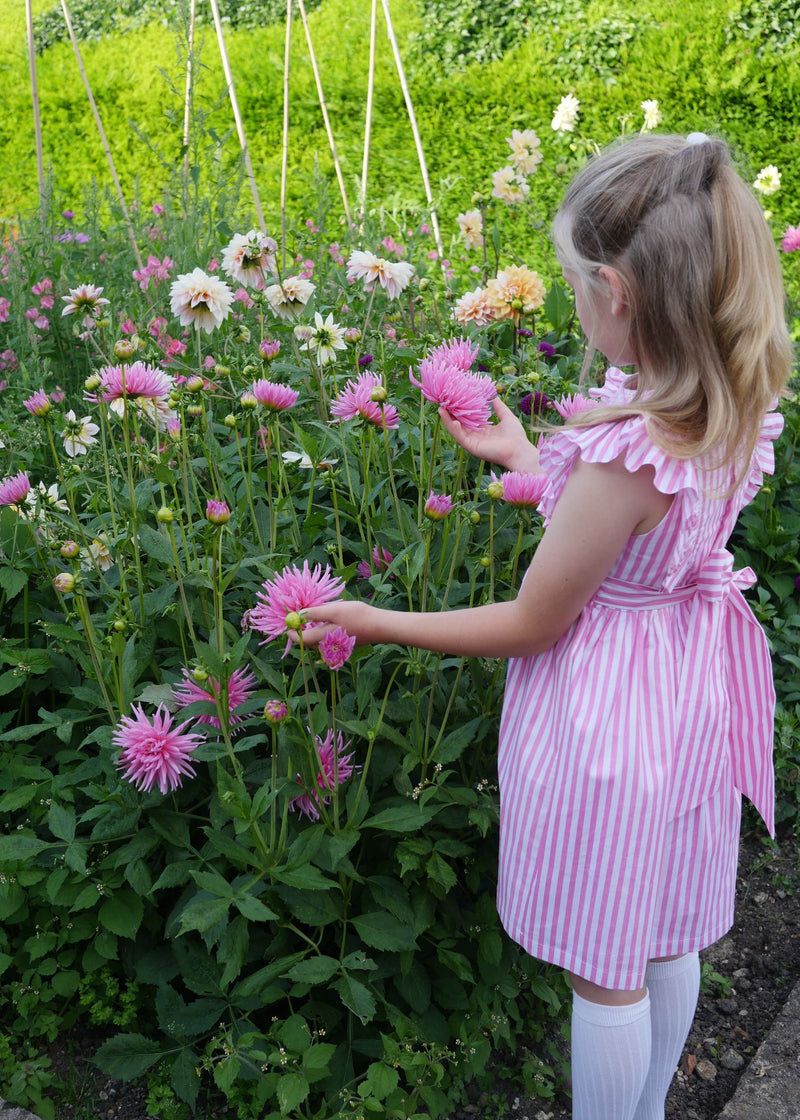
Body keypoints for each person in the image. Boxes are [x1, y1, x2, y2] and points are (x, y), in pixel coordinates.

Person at [299, 133, 793, 1119]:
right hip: (684, 692)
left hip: (608, 719)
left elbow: (536, 619)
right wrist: (526, 453)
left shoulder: (625, 449)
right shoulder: (733, 396)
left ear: (615, 291)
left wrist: (375, 620)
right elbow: (634, 551)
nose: (571, 301)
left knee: (602, 969)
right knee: (662, 935)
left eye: (574, 282)